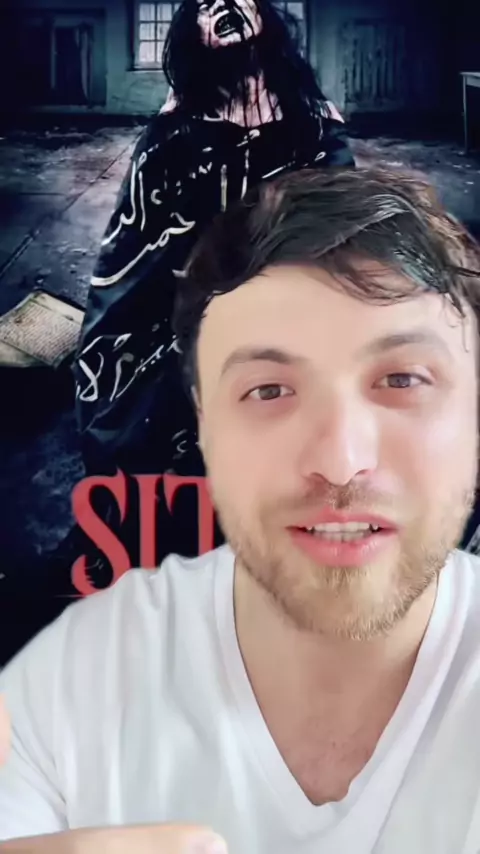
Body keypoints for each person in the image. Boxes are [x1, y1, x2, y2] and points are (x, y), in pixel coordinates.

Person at [2, 166, 480, 852]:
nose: (341, 460)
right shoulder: (80, 680)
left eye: (402, 379)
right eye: (270, 390)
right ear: (205, 421)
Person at [70, 0, 353, 578]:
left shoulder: (314, 126)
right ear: (192, 36)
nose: (222, 5)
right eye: (204, 4)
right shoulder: (174, 133)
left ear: (267, 19)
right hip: (186, 321)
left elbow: (345, 230)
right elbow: (133, 249)